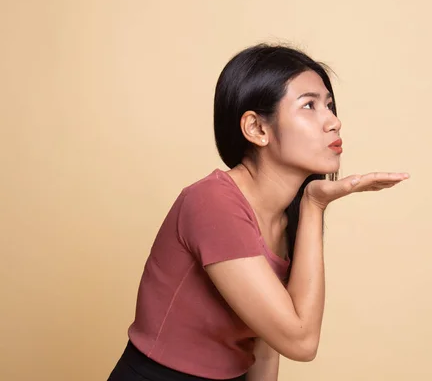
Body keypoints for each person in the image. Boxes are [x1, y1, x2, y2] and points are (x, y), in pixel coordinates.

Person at [107, 43, 409, 381]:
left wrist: (308, 206)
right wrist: (315, 204)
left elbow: (266, 344)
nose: (334, 122)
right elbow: (301, 340)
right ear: (257, 129)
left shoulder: (284, 214)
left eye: (329, 105)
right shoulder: (212, 202)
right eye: (309, 105)